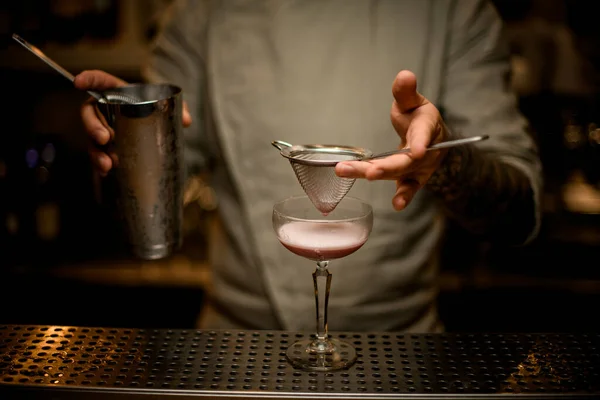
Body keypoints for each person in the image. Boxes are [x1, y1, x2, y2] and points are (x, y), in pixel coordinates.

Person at [75, 0, 541, 332]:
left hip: (400, 351)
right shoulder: (202, 12)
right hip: (238, 348)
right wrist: (132, 137)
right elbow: (146, 207)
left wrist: (447, 161)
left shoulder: (453, 10)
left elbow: (519, 215)